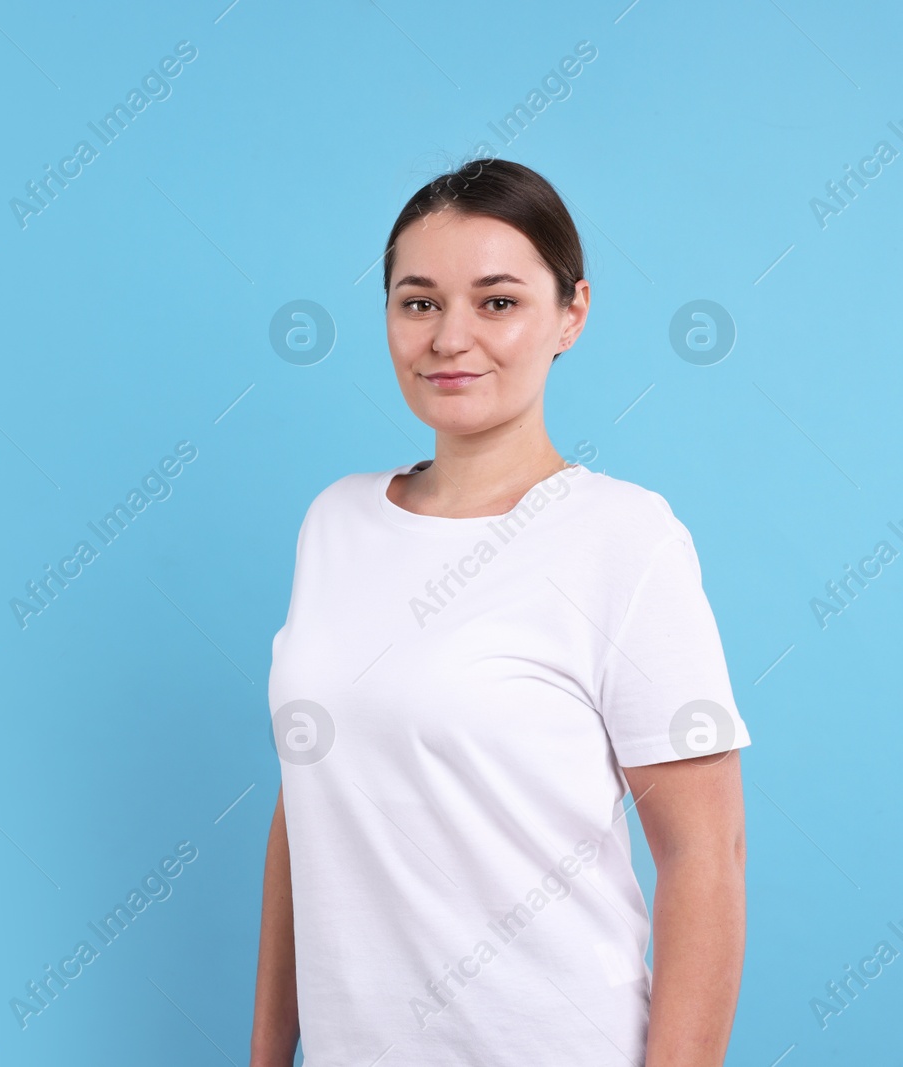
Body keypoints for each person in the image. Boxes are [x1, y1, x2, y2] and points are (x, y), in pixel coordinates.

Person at [252, 158, 751, 1066]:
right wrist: (266, 1050)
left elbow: (706, 856)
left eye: (497, 302)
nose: (450, 338)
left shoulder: (625, 539)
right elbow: (308, 802)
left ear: (572, 313)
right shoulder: (334, 522)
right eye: (418, 302)